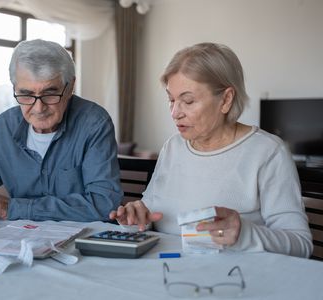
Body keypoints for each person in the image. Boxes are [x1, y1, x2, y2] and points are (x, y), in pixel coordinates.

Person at [110, 43, 313, 258]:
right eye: (171, 99)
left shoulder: (267, 152)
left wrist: (243, 233)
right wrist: (136, 218)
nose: (175, 112)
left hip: (231, 280)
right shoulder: (173, 147)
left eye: (188, 101)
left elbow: (301, 245)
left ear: (225, 100)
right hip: (165, 270)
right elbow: (150, 213)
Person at [0, 39, 122, 222]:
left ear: (70, 86)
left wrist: (16, 207)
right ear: (15, 88)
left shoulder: (94, 123)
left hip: (80, 244)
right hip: (19, 240)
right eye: (26, 94)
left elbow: (104, 203)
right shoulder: (3, 126)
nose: (39, 108)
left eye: (50, 93)